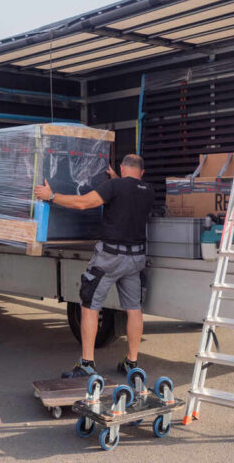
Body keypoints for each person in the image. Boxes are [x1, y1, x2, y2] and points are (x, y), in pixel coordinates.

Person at [34, 154, 155, 378]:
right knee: (134, 309)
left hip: (110, 257)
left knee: (89, 305)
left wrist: (50, 196)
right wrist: (117, 179)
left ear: (121, 167)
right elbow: (128, 191)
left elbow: (82, 203)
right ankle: (132, 361)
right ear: (142, 173)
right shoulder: (148, 191)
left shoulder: (113, 187)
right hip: (136, 258)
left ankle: (87, 363)